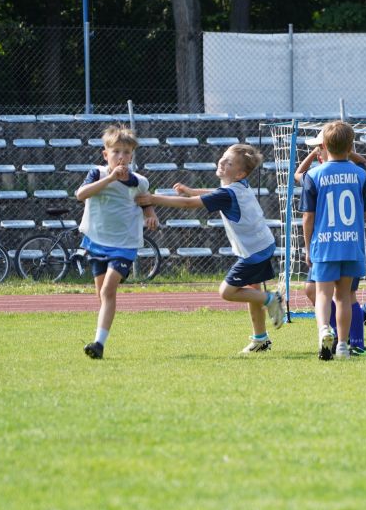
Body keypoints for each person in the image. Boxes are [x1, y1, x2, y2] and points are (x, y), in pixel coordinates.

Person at [137, 144, 285, 353]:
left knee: (227, 291)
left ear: (240, 173)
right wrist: (191, 191)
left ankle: (272, 299)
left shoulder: (227, 193)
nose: (222, 162)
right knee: (252, 289)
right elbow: (215, 192)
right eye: (223, 158)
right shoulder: (238, 186)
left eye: (229, 162)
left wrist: (153, 199)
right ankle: (260, 339)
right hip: (262, 245)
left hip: (254, 252)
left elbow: (190, 205)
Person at [75, 125, 159, 359]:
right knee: (101, 295)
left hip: (124, 244)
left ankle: (98, 344)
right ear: (106, 154)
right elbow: (81, 195)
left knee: (108, 290)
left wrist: (150, 214)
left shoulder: (139, 181)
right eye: (116, 152)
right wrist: (111, 178)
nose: (121, 157)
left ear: (132, 155)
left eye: (126, 152)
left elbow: (145, 202)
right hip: (96, 241)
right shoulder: (97, 174)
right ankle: (100, 336)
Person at [301, 121, 366, 360]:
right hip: (351, 244)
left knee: (323, 294)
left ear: (323, 146)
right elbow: (365, 214)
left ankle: (323, 330)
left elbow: (308, 217)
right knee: (344, 297)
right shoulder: (360, 175)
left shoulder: (313, 175)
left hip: (325, 244)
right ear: (351, 146)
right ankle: (343, 344)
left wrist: (308, 247)